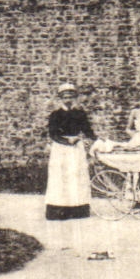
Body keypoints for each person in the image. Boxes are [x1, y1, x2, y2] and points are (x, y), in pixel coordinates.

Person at [45, 83, 96, 220]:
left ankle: (78, 208)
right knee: (61, 177)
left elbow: (87, 130)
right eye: (65, 97)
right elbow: (53, 134)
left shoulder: (80, 113)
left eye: (70, 97)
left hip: (76, 149)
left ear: (74, 98)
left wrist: (96, 139)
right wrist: (66, 141)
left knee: (76, 175)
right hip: (60, 148)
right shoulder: (55, 115)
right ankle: (59, 209)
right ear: (61, 98)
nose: (68, 100)